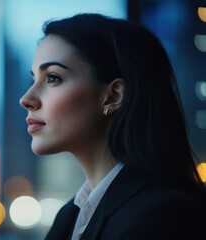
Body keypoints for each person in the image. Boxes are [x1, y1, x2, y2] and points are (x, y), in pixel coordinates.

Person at [19, 13, 206, 240]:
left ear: (113, 95)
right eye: (34, 79)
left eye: (53, 78)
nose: (26, 98)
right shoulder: (69, 216)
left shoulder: (165, 215)